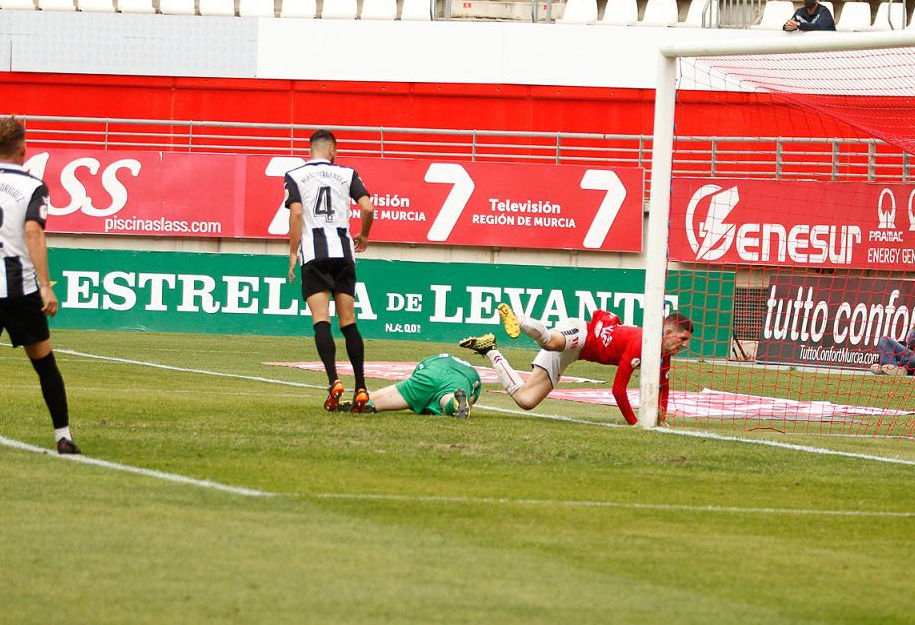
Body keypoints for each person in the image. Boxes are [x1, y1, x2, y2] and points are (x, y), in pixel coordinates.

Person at [460, 304, 694, 426]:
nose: (684, 345)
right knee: (552, 342)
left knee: (526, 401)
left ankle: (489, 349)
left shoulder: (663, 356)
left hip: (576, 354)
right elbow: (618, 390)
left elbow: (664, 387)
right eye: (682, 339)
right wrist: (635, 423)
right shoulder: (639, 344)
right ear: (669, 331)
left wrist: (661, 416)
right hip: (583, 333)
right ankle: (518, 319)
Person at [0, 117, 79, 454]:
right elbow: (33, 231)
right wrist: (46, 286)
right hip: (19, 290)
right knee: (44, 363)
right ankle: (63, 436)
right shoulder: (33, 186)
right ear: (23, 148)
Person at [286, 129, 375, 412]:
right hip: (343, 254)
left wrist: (292, 251)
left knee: (320, 319)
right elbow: (368, 207)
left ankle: (334, 381)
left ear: (311, 149)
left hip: (314, 255)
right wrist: (364, 235)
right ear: (333, 150)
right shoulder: (347, 173)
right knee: (348, 322)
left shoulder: (295, 175)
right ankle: (361, 387)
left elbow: (297, 213)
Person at [333, 352, 480, 419]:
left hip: (431, 371)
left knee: (407, 393)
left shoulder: (435, 358)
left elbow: (415, 378)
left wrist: (414, 402)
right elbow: (471, 400)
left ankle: (367, 402)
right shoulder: (474, 374)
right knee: (446, 400)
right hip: (463, 380)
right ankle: (454, 403)